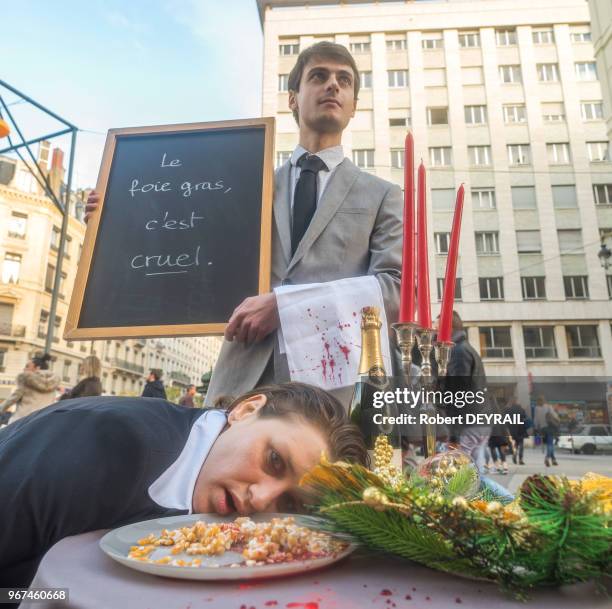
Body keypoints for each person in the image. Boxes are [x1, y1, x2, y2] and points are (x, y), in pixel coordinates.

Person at [85, 41, 403, 408]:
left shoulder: (383, 195)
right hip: (236, 384)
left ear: (353, 107)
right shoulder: (244, 186)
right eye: (319, 76)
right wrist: (114, 220)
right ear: (293, 99)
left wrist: (285, 307)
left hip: (328, 393)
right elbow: (179, 243)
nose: (333, 85)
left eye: (344, 80)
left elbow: (391, 293)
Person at [0, 382, 366, 589]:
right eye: (273, 460)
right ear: (246, 409)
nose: (261, 499)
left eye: (290, 503)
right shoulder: (103, 442)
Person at [434, 311, 490, 474]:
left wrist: (454, 436)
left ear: (447, 328)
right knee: (473, 472)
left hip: (467, 425)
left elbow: (459, 396)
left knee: (461, 474)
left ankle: (502, 498)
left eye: (437, 327)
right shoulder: (466, 349)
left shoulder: (459, 352)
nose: (434, 331)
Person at [0, 353, 60, 423]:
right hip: (42, 421)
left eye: (27, 366)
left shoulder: (26, 380)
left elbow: (11, 399)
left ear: (37, 368)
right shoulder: (52, 383)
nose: (24, 369)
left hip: (22, 421)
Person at [533, 395, 559, 467]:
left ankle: (553, 459)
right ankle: (547, 458)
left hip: (542, 428)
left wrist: (536, 428)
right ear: (544, 400)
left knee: (549, 443)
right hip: (550, 427)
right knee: (550, 444)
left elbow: (536, 419)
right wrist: (557, 419)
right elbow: (554, 415)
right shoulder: (548, 406)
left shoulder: (536, 408)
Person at [506, 396, 529, 465]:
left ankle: (514, 456)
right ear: (517, 401)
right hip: (520, 429)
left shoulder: (509, 409)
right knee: (521, 444)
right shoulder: (521, 409)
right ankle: (520, 459)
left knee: (515, 444)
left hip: (513, 429)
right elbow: (525, 417)